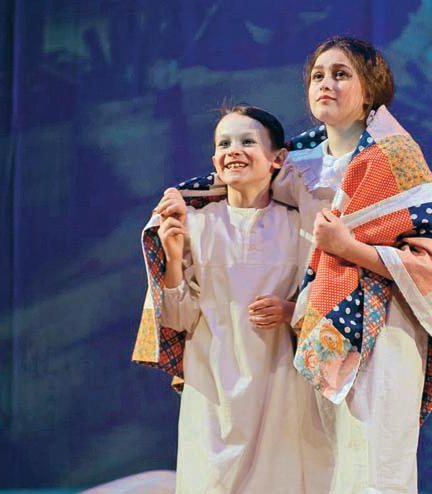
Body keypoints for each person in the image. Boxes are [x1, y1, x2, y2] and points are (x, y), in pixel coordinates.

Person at [271, 36, 432, 493]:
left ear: (369, 93)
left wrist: (348, 246)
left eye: (341, 74)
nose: (326, 83)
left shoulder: (392, 156)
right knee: (330, 465)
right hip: (319, 323)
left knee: (377, 462)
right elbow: (241, 188)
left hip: (385, 328)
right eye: (318, 75)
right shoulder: (297, 160)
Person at [131, 105, 325, 493]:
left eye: (247, 141)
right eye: (224, 143)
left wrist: (290, 311)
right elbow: (178, 318)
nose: (233, 150)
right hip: (211, 390)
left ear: (277, 159)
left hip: (280, 389)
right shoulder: (195, 223)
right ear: (214, 161)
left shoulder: (300, 227)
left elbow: (323, 299)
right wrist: (173, 257)